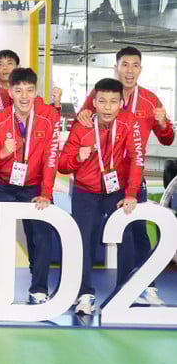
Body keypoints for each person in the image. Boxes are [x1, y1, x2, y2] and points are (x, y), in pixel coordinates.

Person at [74, 46, 173, 306]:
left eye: (135, 65)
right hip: (99, 177)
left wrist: (163, 123)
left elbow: (168, 139)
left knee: (138, 232)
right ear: (115, 67)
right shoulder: (100, 93)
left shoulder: (151, 100)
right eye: (125, 65)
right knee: (94, 234)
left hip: (131, 178)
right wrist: (80, 114)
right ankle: (85, 291)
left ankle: (145, 285)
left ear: (140, 68)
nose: (129, 70)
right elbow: (84, 123)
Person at [59, 78, 144, 315]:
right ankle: (84, 294)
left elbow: (137, 158)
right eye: (102, 101)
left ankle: (124, 292)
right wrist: (79, 156)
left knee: (125, 235)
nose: (107, 107)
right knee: (82, 240)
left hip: (115, 191)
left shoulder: (129, 123)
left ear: (121, 103)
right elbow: (63, 165)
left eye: (113, 102)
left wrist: (131, 194)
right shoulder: (81, 126)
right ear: (93, 103)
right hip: (85, 191)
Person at [0, 68, 61, 312]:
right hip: (3, 185)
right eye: (18, 90)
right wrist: (3, 153)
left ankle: (38, 288)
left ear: (35, 91)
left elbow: (51, 158)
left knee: (40, 235)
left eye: (29, 90)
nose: (24, 96)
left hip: (34, 185)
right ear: (10, 92)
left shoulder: (48, 118)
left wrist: (46, 193)